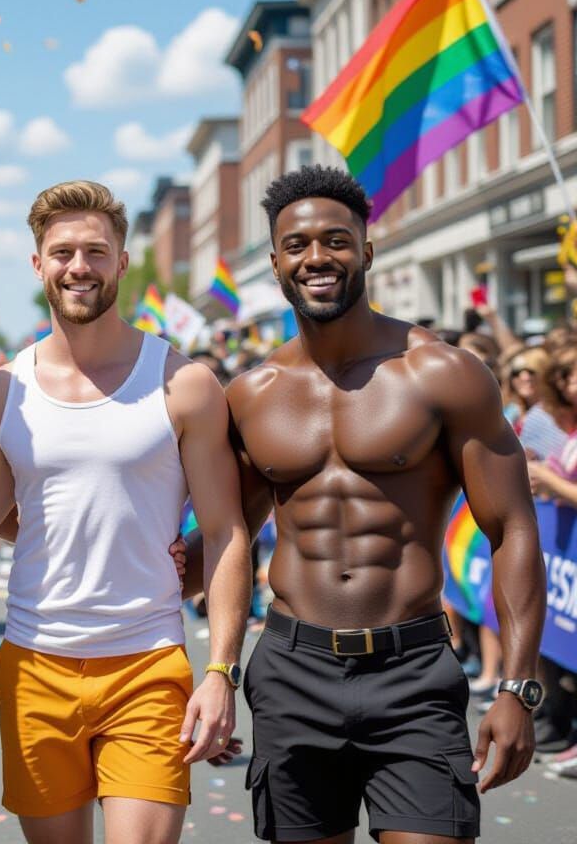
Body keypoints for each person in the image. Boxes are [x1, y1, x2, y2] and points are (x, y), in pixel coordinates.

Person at [180, 165, 545, 843]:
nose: (317, 257)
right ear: (276, 264)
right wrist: (208, 673)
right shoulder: (251, 394)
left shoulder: (443, 372)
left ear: (366, 251)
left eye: (336, 241)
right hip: (292, 671)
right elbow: (228, 536)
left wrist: (517, 687)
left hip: (412, 673)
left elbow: (513, 530)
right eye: (297, 246)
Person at [0, 180, 253, 844]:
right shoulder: (3, 390)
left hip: (148, 663)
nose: (79, 267)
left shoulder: (184, 384)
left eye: (96, 252)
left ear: (123, 261)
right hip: (33, 664)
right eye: (63, 252)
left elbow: (224, 532)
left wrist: (221, 670)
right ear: (38, 265)